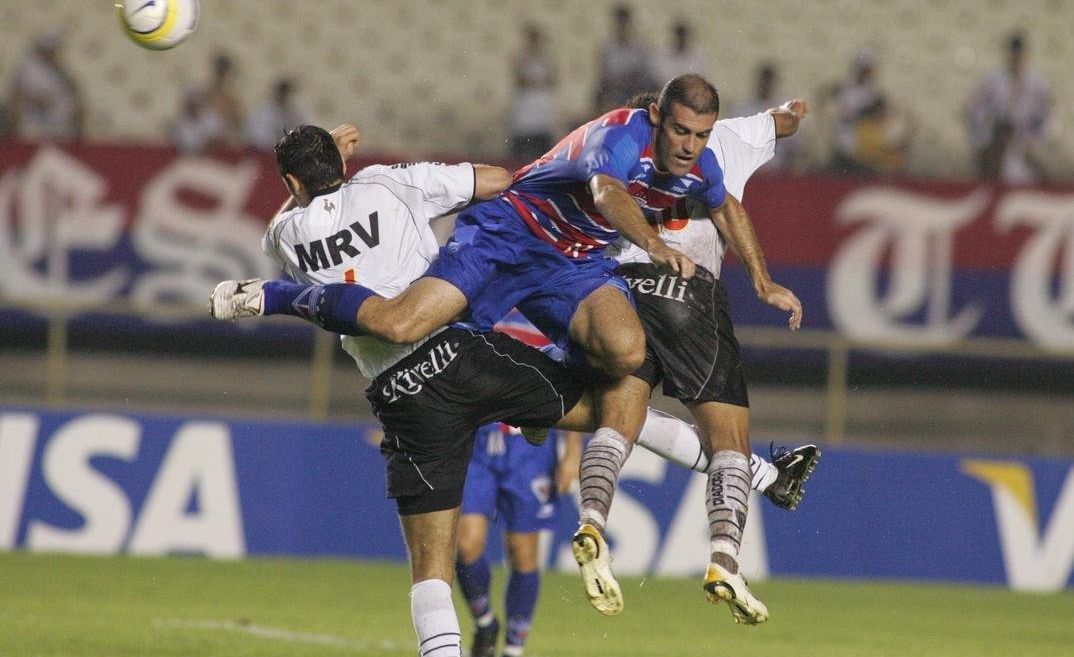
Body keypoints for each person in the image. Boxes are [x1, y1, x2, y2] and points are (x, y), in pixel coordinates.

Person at [212, 79, 804, 617]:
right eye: (679, 130)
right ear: (655, 117)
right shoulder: (618, 137)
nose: (690, 144)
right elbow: (584, 191)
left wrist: (763, 273)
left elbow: (749, 168)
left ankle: (751, 469)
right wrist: (646, 238)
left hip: (557, 272)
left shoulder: (284, 230)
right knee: (408, 323)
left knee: (624, 361)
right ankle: (272, 298)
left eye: (700, 134)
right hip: (501, 243)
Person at [609, 92, 816, 624]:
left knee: (605, 412)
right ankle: (745, 517)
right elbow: (784, 125)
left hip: (620, 293)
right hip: (690, 298)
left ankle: (765, 479)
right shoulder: (734, 137)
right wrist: (789, 111)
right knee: (725, 435)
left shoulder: (624, 139)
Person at [455, 422, 581, 657]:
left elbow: (571, 386)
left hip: (530, 445)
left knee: (522, 552)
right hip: (477, 440)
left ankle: (513, 649)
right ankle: (485, 623)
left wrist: (573, 450)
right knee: (466, 545)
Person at [965, 32, 1052, 182]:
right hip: (996, 143)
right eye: (1014, 52)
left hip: (1022, 143)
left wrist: (1033, 138)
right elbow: (974, 110)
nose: (1017, 56)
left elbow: (1045, 114)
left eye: (1020, 52)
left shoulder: (1036, 84)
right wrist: (985, 138)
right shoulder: (993, 81)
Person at [5, 33, 85, 141]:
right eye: (50, 49)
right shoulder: (27, 70)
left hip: (62, 129)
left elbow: (74, 95)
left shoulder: (60, 71)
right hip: (34, 128)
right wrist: (35, 101)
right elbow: (16, 97)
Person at [509, 25, 558, 164]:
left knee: (544, 142)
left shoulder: (547, 60)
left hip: (542, 104)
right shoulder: (521, 59)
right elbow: (518, 80)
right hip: (526, 103)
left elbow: (554, 80)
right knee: (523, 139)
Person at [593, 4, 653, 113]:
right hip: (614, 90)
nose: (621, 26)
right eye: (619, 23)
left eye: (624, 23)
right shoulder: (607, 48)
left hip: (634, 90)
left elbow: (644, 73)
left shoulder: (639, 47)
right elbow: (604, 75)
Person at [244, 78, 309, 151]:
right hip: (265, 152)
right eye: (282, 92)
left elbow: (304, 132)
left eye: (287, 93)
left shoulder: (296, 111)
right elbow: (258, 137)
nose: (284, 96)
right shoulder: (264, 112)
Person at [170, 87, 229, 155]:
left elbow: (221, 135)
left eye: (198, 103)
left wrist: (213, 141)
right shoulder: (180, 122)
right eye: (192, 104)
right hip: (190, 159)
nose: (195, 106)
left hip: (213, 158)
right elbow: (186, 145)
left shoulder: (210, 116)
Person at [652, 21, 704, 87]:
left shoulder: (694, 57)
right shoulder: (664, 54)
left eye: (683, 37)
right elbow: (659, 76)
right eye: (679, 36)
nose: (681, 39)